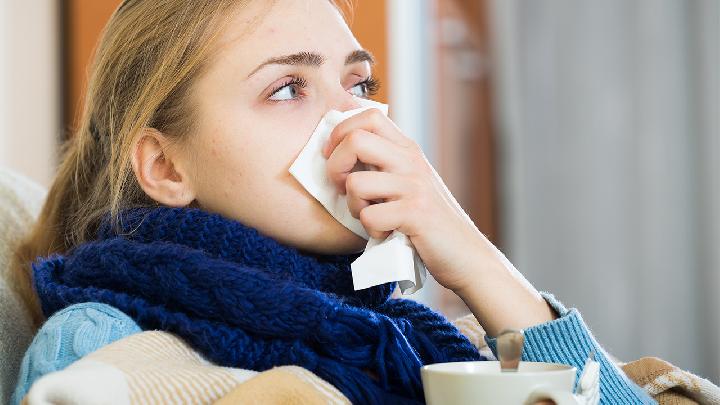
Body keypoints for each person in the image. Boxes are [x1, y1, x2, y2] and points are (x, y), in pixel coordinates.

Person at [9, 0, 654, 403]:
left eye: (357, 82)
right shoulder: (97, 345)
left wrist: (477, 261)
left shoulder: (407, 331)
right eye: (288, 88)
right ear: (166, 166)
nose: (357, 122)